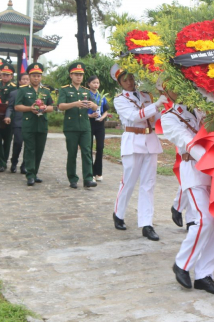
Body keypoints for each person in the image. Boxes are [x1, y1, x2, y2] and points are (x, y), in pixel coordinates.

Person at [161, 84, 214, 296]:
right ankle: (182, 264)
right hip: (195, 170)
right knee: (203, 219)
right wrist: (213, 162)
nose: (180, 90)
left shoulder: (201, 108)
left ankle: (205, 275)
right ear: (166, 92)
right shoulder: (169, 117)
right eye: (174, 87)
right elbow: (188, 143)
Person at [110, 65, 164, 240]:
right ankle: (119, 213)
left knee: (148, 184)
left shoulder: (147, 95)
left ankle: (146, 224)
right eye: (125, 80)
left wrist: (163, 106)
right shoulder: (119, 100)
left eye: (131, 78)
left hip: (150, 141)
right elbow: (134, 116)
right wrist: (156, 105)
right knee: (129, 181)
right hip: (133, 141)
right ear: (119, 82)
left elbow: (157, 118)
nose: (129, 82)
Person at [57, 63, 97, 189]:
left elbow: (96, 106)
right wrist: (75, 104)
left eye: (81, 75)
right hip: (71, 126)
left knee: (87, 152)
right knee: (72, 153)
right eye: (76, 75)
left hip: (85, 126)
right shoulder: (65, 90)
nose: (79, 77)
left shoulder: (86, 91)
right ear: (71, 75)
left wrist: (92, 105)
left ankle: (88, 178)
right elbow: (60, 106)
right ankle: (72, 178)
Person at [13, 63, 55, 185]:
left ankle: (35, 173)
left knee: (39, 150)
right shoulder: (23, 90)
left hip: (42, 124)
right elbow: (17, 106)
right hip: (29, 124)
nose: (36, 78)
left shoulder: (46, 91)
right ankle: (30, 174)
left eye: (38, 76)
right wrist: (29, 108)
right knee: (30, 149)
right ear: (29, 76)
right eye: (34, 76)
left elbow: (52, 107)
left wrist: (45, 108)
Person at [0, 63, 18, 172]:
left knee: (7, 141)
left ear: (11, 76)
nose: (5, 77)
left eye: (8, 75)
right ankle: (1, 161)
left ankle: (4, 161)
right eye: (3, 74)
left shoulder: (14, 87)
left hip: (8, 117)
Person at [5, 72, 30, 174]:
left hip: (30, 122)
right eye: (23, 79)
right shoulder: (14, 93)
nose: (25, 81)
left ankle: (25, 165)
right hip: (18, 122)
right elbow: (10, 107)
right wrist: (7, 116)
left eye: (27, 79)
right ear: (19, 81)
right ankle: (14, 163)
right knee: (18, 143)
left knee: (28, 146)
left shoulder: (34, 92)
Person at [87, 75, 109, 182]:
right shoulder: (86, 95)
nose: (96, 85)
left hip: (100, 124)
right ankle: (90, 173)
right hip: (89, 123)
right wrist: (90, 116)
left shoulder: (102, 96)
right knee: (89, 148)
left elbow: (106, 111)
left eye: (97, 83)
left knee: (100, 147)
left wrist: (102, 118)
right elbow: (82, 111)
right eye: (94, 83)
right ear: (89, 84)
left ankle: (98, 172)